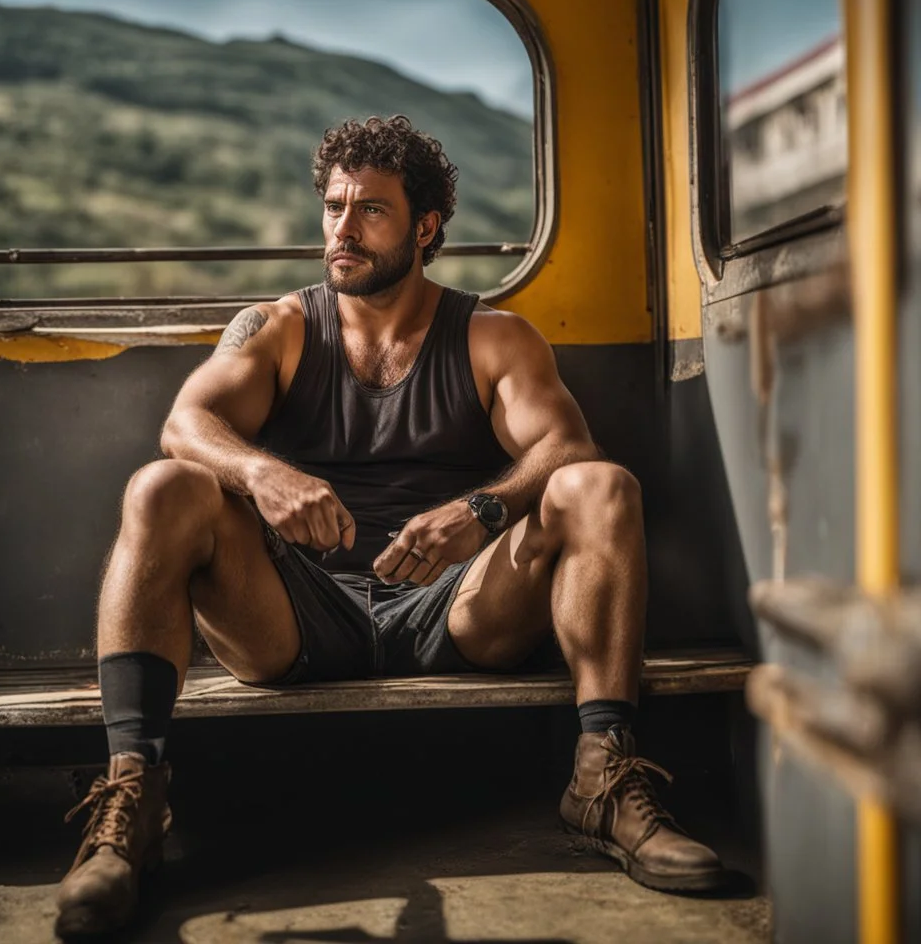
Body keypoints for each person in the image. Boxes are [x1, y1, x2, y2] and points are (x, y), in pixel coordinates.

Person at [54, 115, 724, 937]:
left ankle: (602, 779)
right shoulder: (281, 328)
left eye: (370, 210)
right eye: (334, 207)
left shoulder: (491, 336)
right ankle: (135, 797)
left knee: (602, 486)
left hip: (455, 604)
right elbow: (186, 422)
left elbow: (566, 445)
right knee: (163, 487)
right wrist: (266, 475)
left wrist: (483, 510)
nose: (343, 227)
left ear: (426, 226)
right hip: (297, 611)